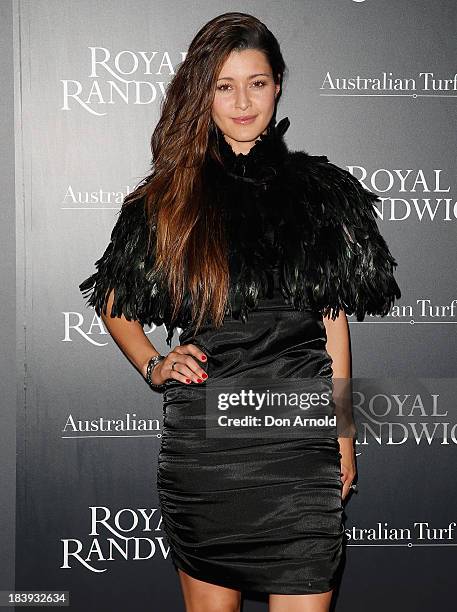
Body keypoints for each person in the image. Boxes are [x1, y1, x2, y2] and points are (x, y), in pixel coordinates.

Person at [79, 11, 401, 612]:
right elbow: (115, 303)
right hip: (209, 451)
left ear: (278, 84)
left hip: (301, 448)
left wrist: (345, 433)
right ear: (205, 94)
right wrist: (155, 364)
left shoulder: (319, 192)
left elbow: (333, 322)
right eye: (224, 86)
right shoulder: (171, 198)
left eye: (256, 82)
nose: (242, 101)